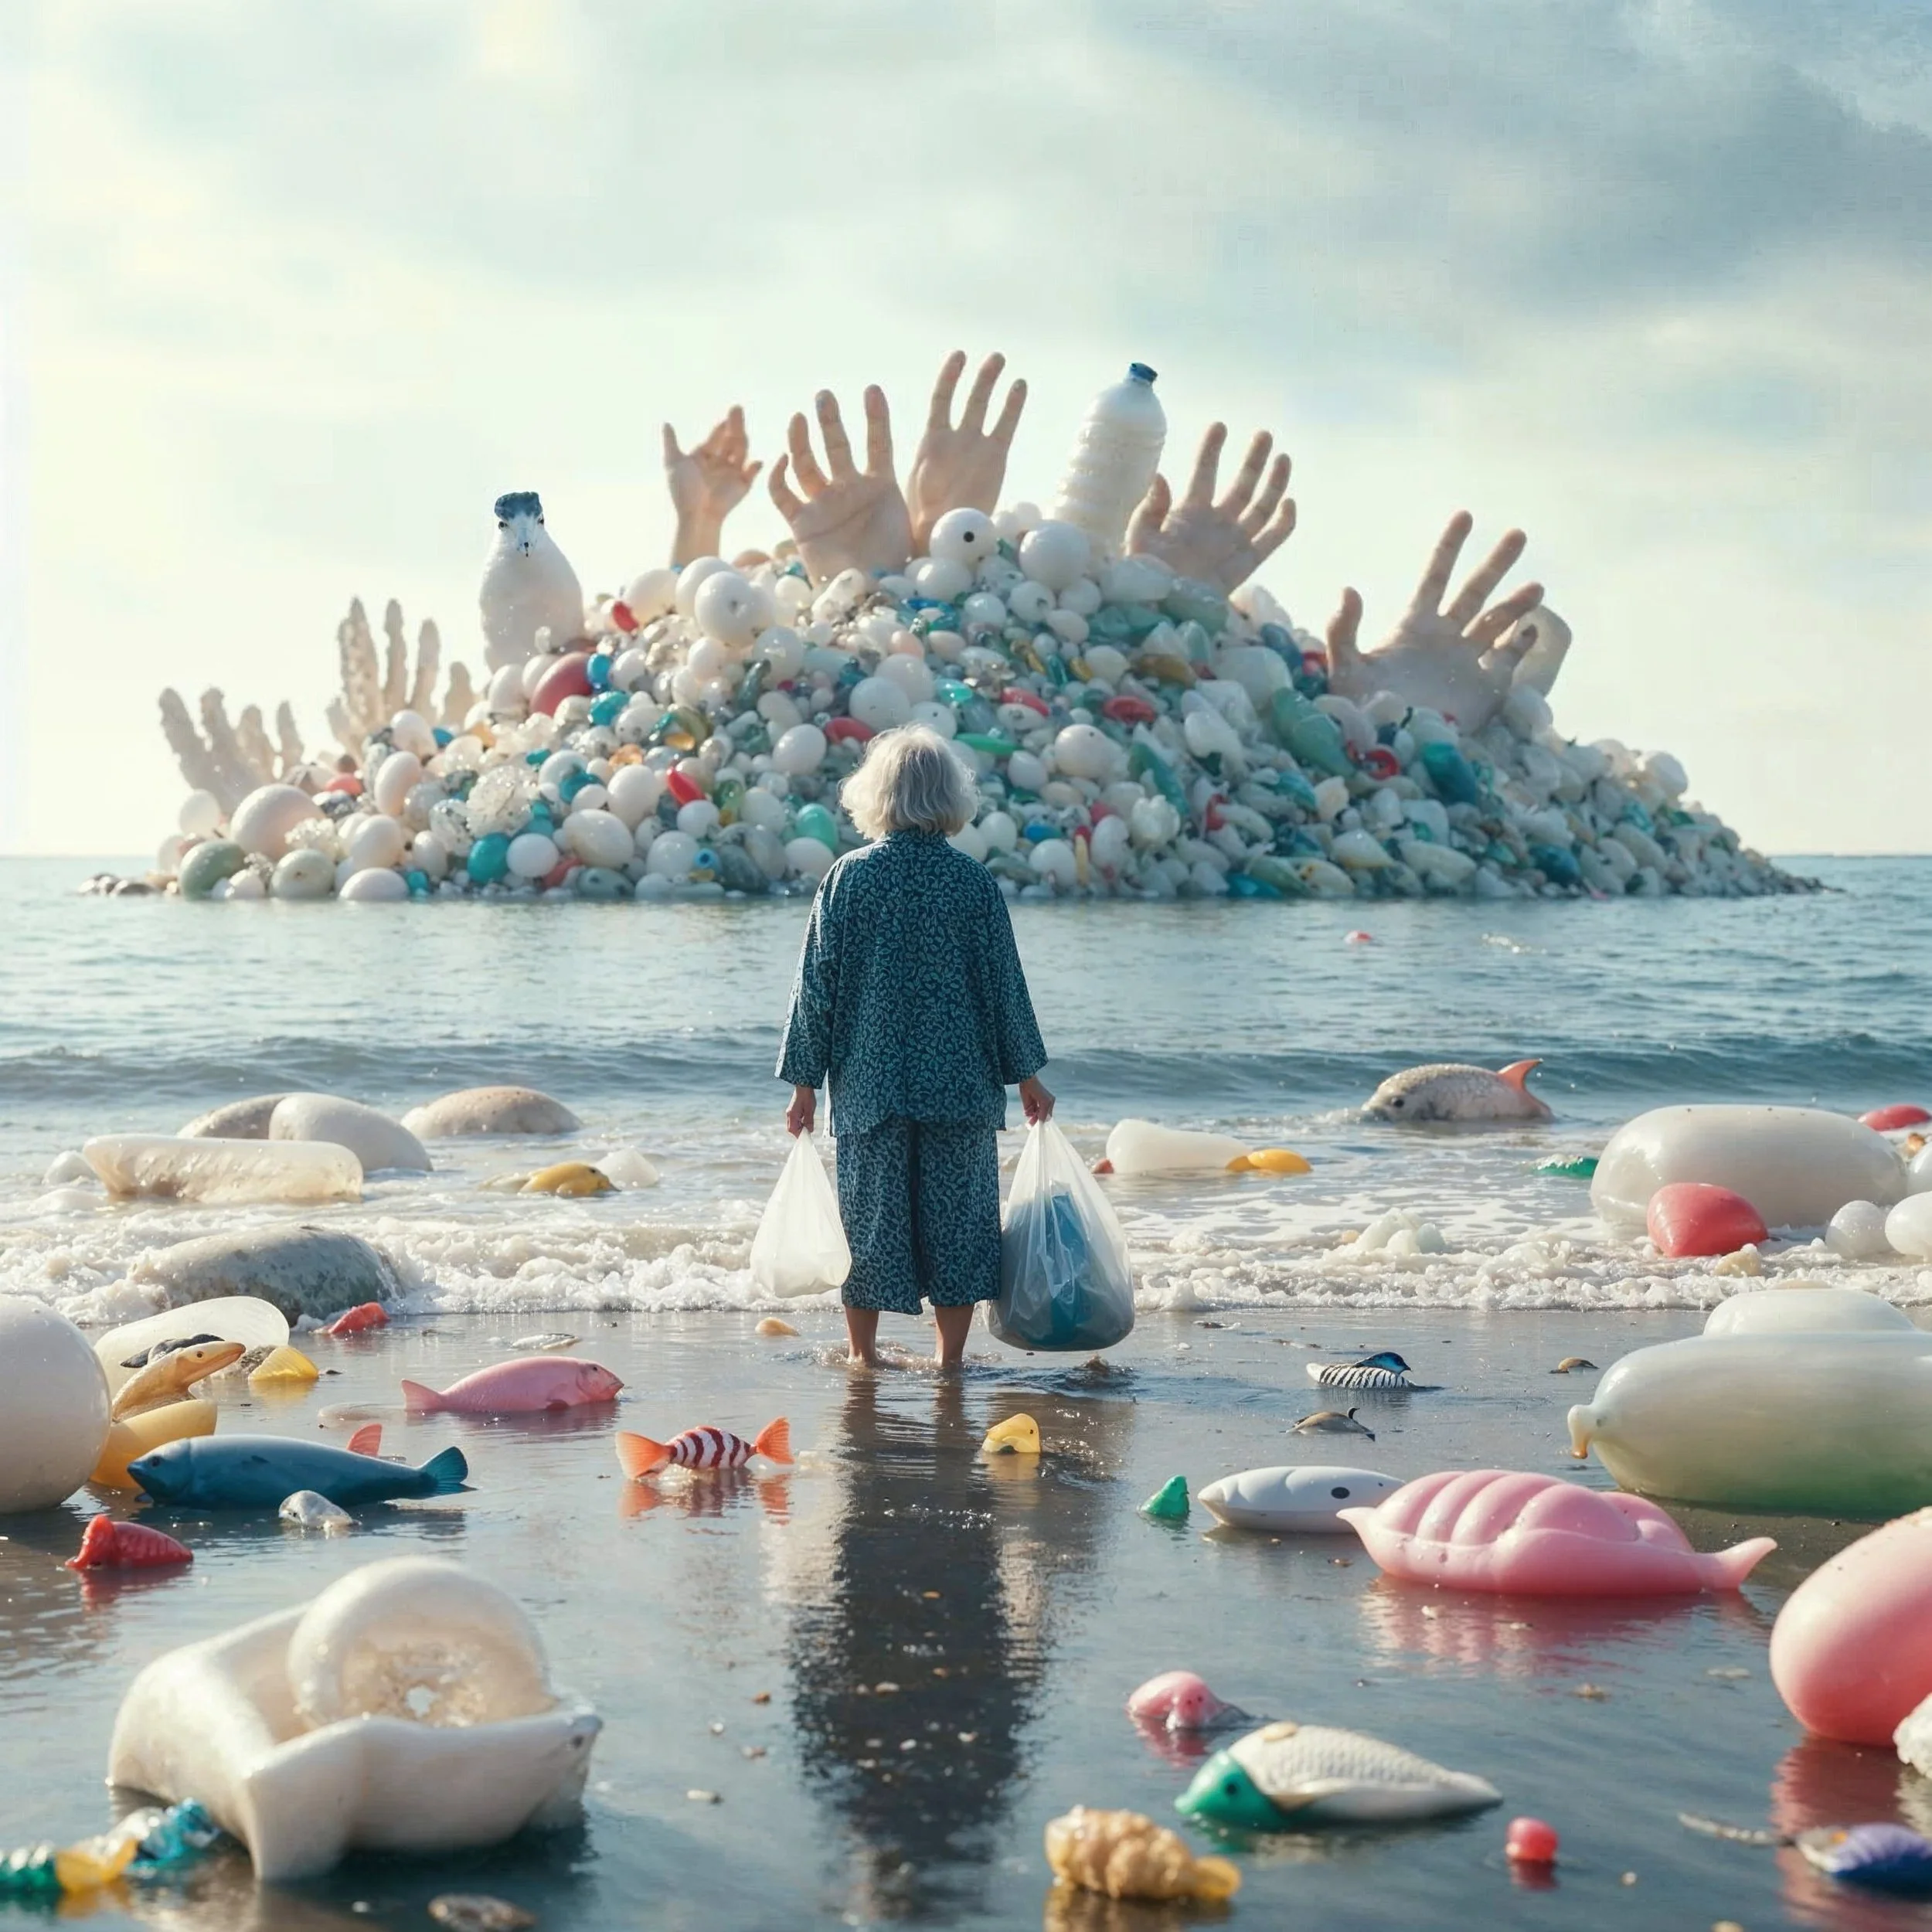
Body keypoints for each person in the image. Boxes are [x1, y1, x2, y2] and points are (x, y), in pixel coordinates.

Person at [777, 725, 1053, 1369]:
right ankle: (949, 1362)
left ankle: (862, 1357)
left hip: (871, 1086)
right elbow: (1004, 987)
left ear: (876, 794)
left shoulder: (848, 878)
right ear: (951, 796)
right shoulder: (972, 882)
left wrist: (803, 1084)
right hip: (960, 1085)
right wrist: (1028, 1077)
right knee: (960, 1231)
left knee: (870, 1229)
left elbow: (816, 987)